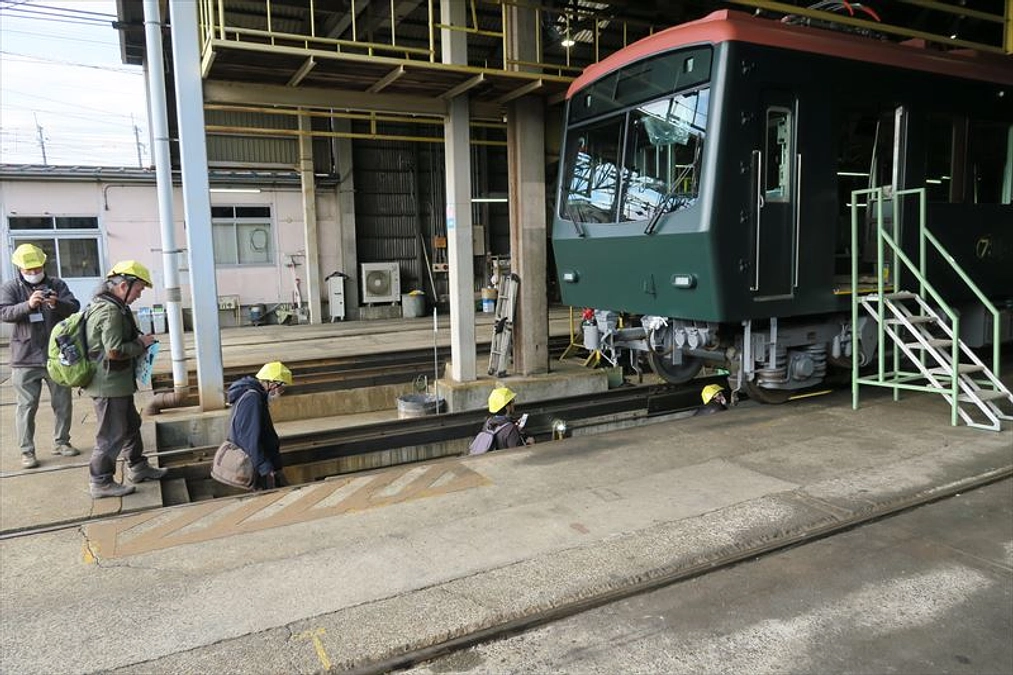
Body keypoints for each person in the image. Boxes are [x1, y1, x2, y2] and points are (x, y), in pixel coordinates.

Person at [83, 260, 166, 498]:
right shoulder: (110, 311)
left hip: (117, 382)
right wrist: (142, 343)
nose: (139, 295)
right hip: (108, 384)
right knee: (111, 434)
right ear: (123, 286)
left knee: (130, 425)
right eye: (138, 289)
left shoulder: (111, 305)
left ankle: (138, 467)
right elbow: (114, 350)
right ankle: (101, 481)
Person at [0, 243, 81, 469]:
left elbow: (74, 307)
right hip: (24, 357)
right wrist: (27, 305)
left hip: (55, 356)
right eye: (29, 270)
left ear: (44, 264)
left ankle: (62, 442)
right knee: (26, 406)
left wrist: (58, 304)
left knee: (63, 402)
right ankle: (27, 452)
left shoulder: (56, 284)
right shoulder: (10, 288)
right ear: (19, 269)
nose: (34, 274)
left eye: (37, 269)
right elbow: (3, 312)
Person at [226, 361, 292, 490]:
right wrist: (264, 468)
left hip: (258, 461)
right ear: (272, 383)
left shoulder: (257, 396)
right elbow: (249, 438)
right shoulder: (252, 399)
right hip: (255, 464)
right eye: (281, 387)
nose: (281, 392)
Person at [470, 386, 532, 453]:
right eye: (512, 401)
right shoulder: (510, 429)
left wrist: (515, 428)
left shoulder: (488, 423)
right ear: (507, 407)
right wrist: (529, 444)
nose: (514, 404)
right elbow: (518, 453)